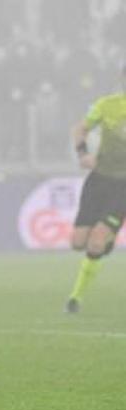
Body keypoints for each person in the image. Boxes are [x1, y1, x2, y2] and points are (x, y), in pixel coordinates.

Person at [65, 63, 126, 313]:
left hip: (122, 186)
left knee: (95, 242)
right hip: (98, 180)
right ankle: (106, 243)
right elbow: (80, 128)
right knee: (78, 242)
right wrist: (82, 153)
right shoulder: (106, 104)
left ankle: (76, 298)